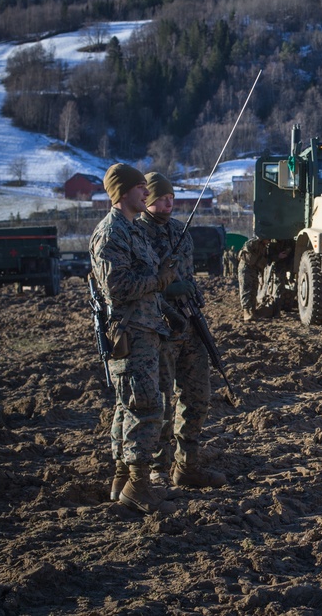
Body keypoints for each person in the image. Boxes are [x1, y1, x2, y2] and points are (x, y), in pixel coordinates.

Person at [89, 163, 176, 515]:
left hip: (144, 330)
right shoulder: (112, 232)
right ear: (123, 193)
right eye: (140, 187)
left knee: (129, 405)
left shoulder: (131, 230)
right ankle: (138, 486)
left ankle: (122, 477)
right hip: (130, 332)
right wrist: (159, 281)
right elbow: (118, 287)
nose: (146, 191)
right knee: (145, 406)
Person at [137, 172, 226, 490]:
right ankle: (158, 470)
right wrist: (170, 294)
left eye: (171, 197)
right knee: (160, 402)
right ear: (147, 199)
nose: (168, 203)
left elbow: (187, 275)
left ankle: (187, 466)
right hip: (159, 328)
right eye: (162, 198)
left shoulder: (180, 232)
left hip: (190, 325)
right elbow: (142, 286)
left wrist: (192, 293)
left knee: (197, 397)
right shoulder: (137, 233)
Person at [237, 237, 291, 321]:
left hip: (254, 270)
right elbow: (247, 248)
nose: (269, 241)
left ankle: (252, 311)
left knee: (254, 290)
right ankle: (246, 311)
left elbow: (268, 259)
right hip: (246, 268)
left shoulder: (264, 248)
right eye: (268, 239)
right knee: (246, 289)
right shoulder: (254, 242)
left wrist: (278, 256)